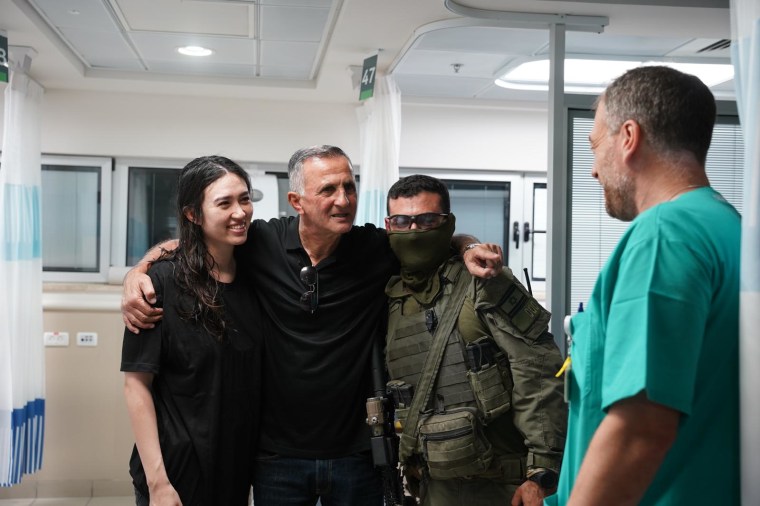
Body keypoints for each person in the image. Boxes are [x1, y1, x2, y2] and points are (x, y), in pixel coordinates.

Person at [121, 145, 504, 506]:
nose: (343, 200)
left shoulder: (374, 248)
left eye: (349, 187)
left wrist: (469, 246)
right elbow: (193, 241)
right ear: (296, 202)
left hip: (357, 453)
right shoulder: (260, 243)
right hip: (276, 457)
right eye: (328, 190)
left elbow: (432, 238)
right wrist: (138, 271)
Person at [547, 66, 741, 506]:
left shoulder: (665, 236)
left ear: (629, 137)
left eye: (595, 146)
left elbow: (640, 430)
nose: (594, 170)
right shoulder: (731, 230)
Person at [382, 174, 567, 506]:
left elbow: (537, 369)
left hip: (502, 485)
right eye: (402, 221)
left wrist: (541, 472)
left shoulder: (485, 280)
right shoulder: (390, 296)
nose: (414, 231)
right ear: (388, 225)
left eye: (427, 220)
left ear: (447, 223)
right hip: (432, 487)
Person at [121, 156, 261, 505]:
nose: (240, 212)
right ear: (193, 214)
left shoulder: (257, 276)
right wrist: (158, 484)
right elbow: (136, 386)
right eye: (224, 203)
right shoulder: (160, 283)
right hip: (175, 472)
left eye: (244, 199)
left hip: (233, 472)